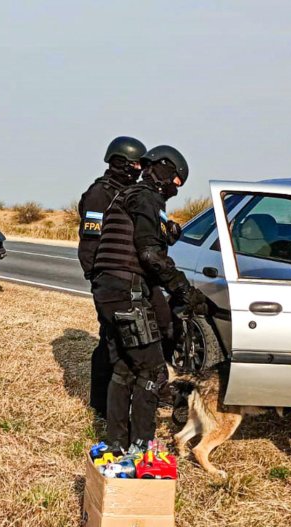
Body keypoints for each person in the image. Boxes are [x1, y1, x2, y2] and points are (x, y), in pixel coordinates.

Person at [91, 144, 208, 449]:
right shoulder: (145, 197)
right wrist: (184, 289)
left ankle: (116, 443)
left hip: (107, 292)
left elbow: (138, 241)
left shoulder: (128, 194)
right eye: (176, 181)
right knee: (152, 371)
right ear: (165, 171)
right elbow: (149, 255)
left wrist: (165, 231)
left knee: (124, 368)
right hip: (126, 293)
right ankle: (142, 445)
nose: (176, 188)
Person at [77, 136, 147, 419]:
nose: (139, 168)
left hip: (127, 279)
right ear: (121, 162)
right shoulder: (100, 194)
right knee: (109, 342)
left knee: (120, 341)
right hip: (107, 280)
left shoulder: (131, 192)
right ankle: (101, 405)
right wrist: (97, 279)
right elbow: (91, 240)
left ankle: (116, 401)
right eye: (135, 163)